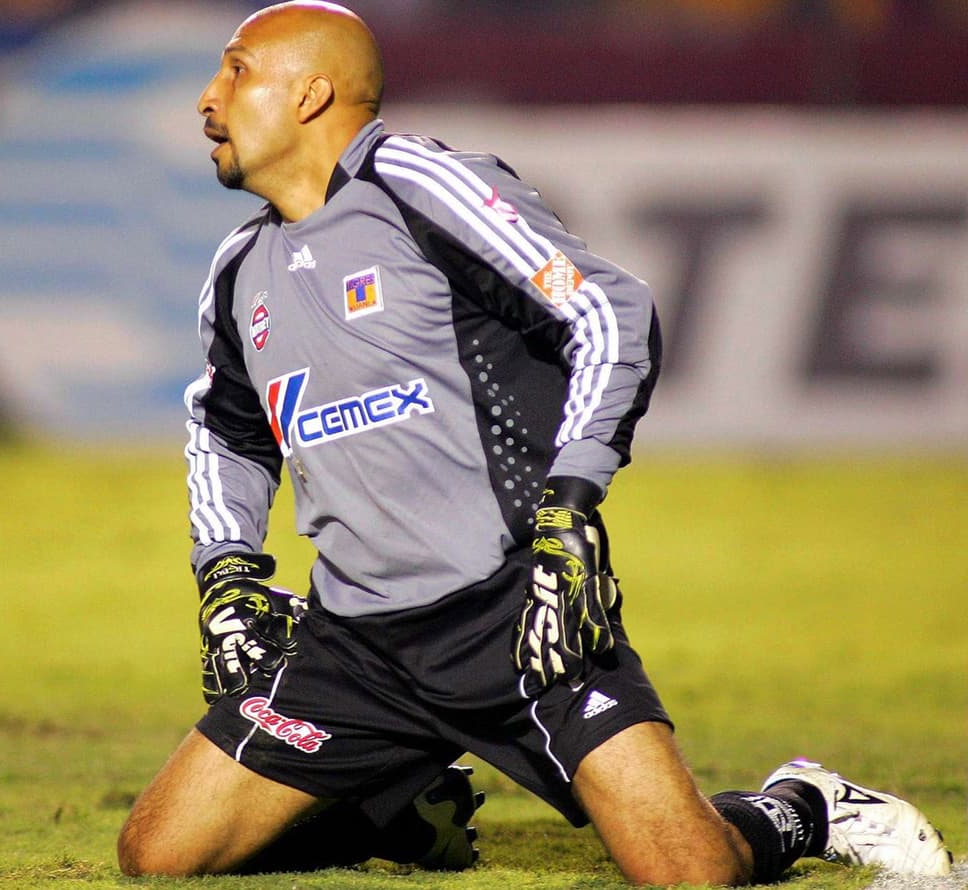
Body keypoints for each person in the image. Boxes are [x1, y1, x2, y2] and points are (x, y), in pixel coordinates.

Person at [117, 1, 954, 883]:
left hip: (515, 616)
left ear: (312, 93)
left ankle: (803, 805)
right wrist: (226, 571)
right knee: (159, 854)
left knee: (688, 870)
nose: (208, 98)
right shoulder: (242, 266)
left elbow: (608, 310)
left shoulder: (415, 184)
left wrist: (570, 512)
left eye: (236, 70)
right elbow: (226, 428)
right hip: (352, 643)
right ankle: (403, 808)